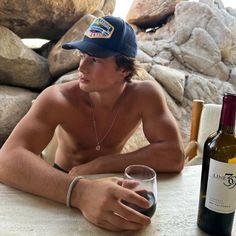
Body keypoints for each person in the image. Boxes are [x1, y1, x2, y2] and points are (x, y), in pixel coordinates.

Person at [0, 16, 184, 231]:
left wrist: (101, 164)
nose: (82, 67)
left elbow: (173, 155)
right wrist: (79, 192)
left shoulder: (145, 95)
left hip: (112, 178)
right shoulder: (58, 99)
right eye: (83, 55)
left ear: (124, 69)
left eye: (95, 60)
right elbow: (7, 159)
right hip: (64, 181)